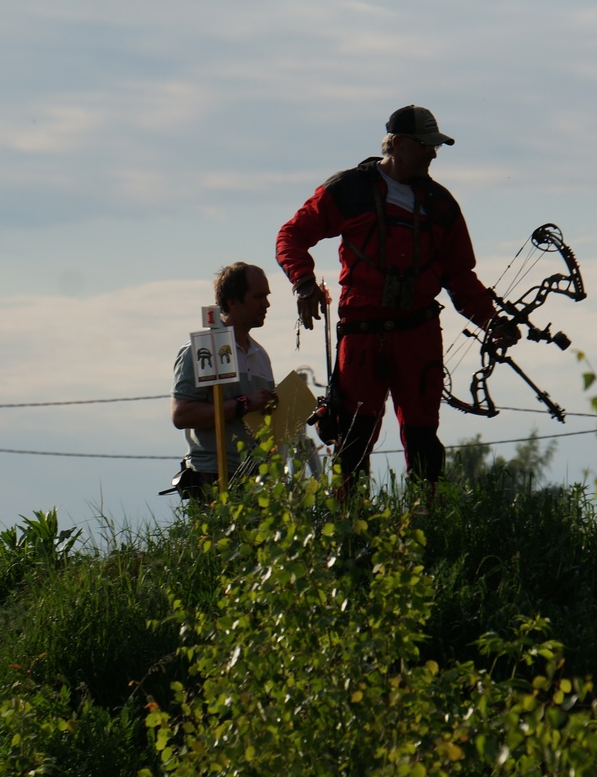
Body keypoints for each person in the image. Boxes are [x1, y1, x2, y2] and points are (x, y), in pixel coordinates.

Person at [275, 105, 516, 489]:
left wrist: (492, 321)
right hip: (362, 332)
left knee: (422, 436)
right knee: (353, 436)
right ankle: (350, 526)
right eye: (426, 145)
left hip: (418, 333)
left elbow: (460, 277)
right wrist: (303, 282)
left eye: (436, 147)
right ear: (399, 144)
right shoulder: (348, 189)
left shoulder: (442, 204)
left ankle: (424, 519)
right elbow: (292, 235)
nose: (433, 154)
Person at [169, 262, 278, 498]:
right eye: (258, 296)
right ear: (232, 301)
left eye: (266, 296)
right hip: (213, 477)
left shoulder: (260, 355)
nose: (266, 304)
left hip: (257, 477)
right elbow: (182, 415)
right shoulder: (200, 350)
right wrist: (244, 404)